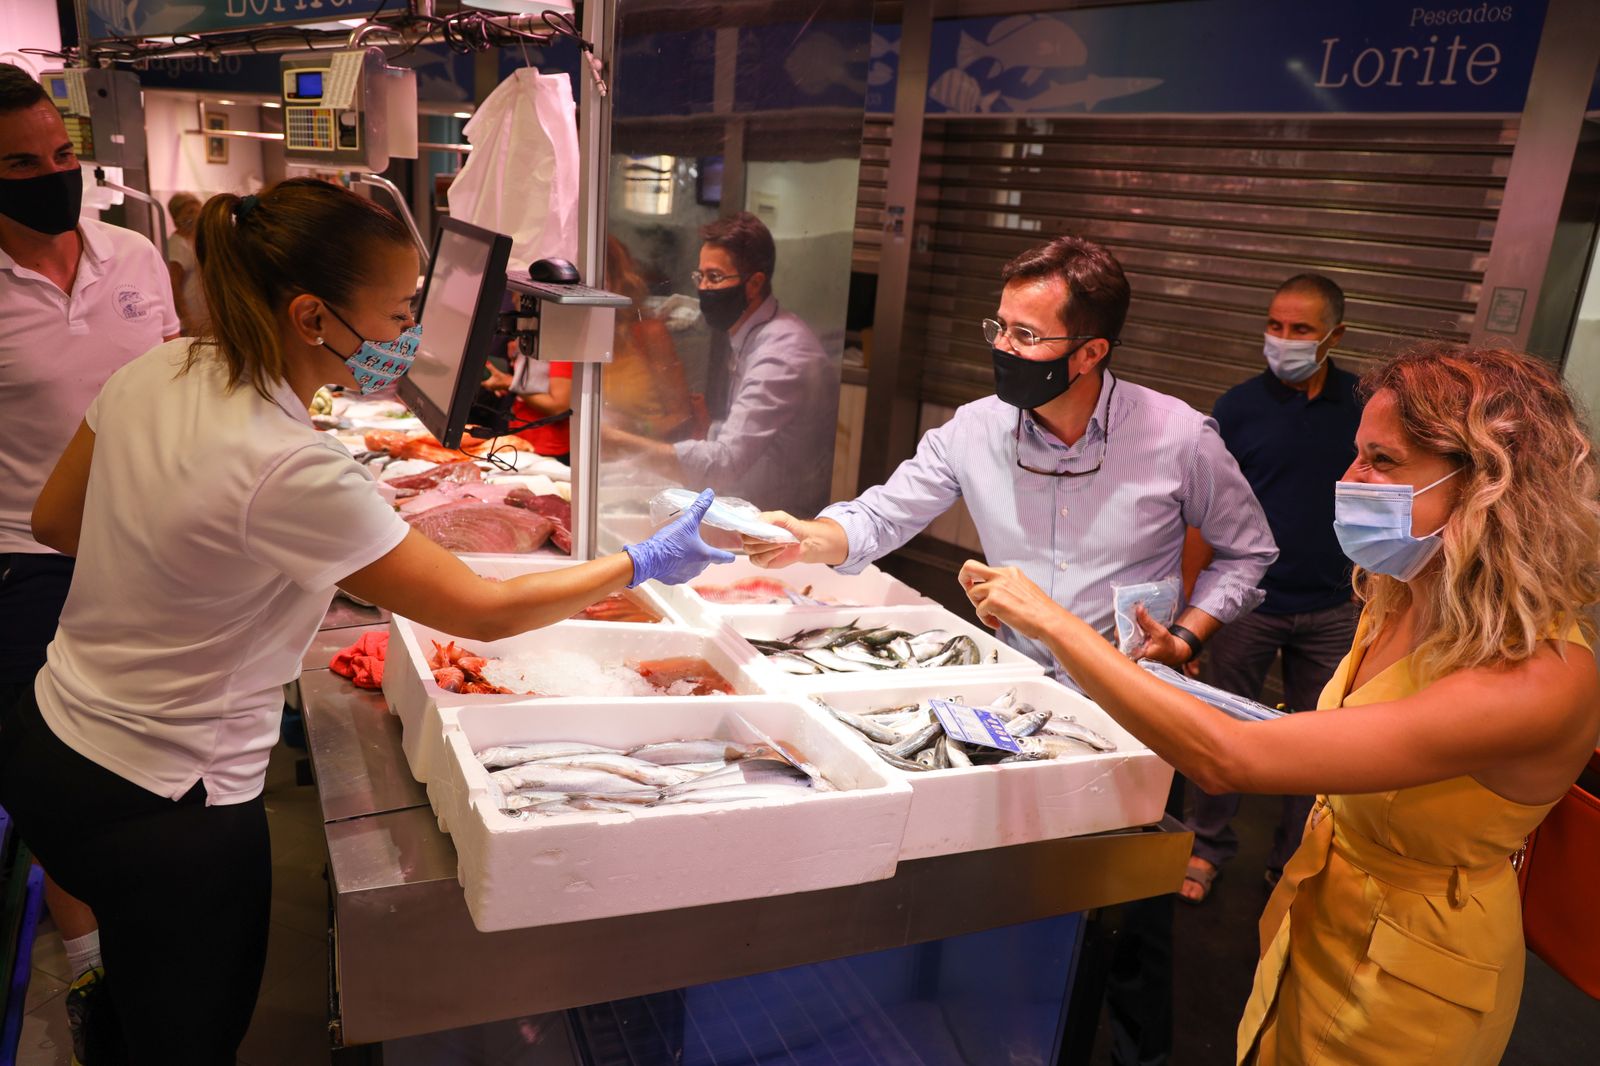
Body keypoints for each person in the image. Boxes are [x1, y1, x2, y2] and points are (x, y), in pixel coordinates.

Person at [0, 177, 732, 1064]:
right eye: (395, 314)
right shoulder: (289, 467)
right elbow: (485, 611)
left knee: (137, 996)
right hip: (166, 796)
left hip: (49, 742)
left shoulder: (165, 366)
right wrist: (643, 561)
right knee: (188, 1037)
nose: (405, 337)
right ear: (312, 317)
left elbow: (56, 524)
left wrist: (185, 567)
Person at [960, 344, 1600, 1064]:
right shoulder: (1404, 597)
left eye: (1382, 463)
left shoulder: (1540, 677)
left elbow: (1230, 757)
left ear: (1491, 487)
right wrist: (1174, 674)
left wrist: (1053, 621)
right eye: (1358, 454)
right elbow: (1319, 736)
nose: (1350, 479)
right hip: (1315, 911)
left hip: (1416, 977)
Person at [746, 235, 1278, 681]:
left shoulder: (1181, 436)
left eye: (1026, 335)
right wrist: (805, 539)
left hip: (1134, 685)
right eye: (1000, 327)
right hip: (1017, 676)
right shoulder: (973, 429)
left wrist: (1185, 638)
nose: (1003, 347)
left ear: (1091, 352)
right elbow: (882, 515)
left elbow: (1248, 552)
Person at [0, 62, 179, 1062]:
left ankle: (155, 942)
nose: (51, 177)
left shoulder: (134, 257)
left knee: (146, 767)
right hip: (28, 561)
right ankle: (88, 964)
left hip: (149, 547)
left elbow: (176, 383)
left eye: (61, 155)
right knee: (59, 778)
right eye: (20, 164)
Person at [1181, 274, 1364, 903]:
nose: (1282, 340)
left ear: (1334, 335)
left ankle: (1292, 861)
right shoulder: (1236, 410)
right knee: (1220, 734)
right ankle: (1204, 847)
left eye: (1301, 330)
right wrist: (1190, 611)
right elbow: (1202, 517)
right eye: (1275, 325)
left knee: (1319, 748)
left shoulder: (1364, 407)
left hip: (1335, 607)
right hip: (1247, 605)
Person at [608, 212, 840, 516]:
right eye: (700, 276)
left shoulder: (782, 353)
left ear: (754, 283)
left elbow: (725, 463)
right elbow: (745, 437)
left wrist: (620, 442)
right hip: (751, 505)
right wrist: (711, 430)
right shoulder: (752, 335)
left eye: (715, 277)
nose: (703, 288)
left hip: (782, 520)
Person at [601, 234, 697, 440]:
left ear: (615, 280)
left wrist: (637, 427)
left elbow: (682, 417)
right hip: (590, 462)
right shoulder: (581, 339)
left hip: (645, 464)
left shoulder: (648, 334)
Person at [165, 191, 207, 335]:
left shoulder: (198, 240)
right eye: (190, 212)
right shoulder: (176, 245)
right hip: (191, 321)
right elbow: (173, 285)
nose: (196, 216)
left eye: (198, 210)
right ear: (177, 217)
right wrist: (187, 318)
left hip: (204, 317)